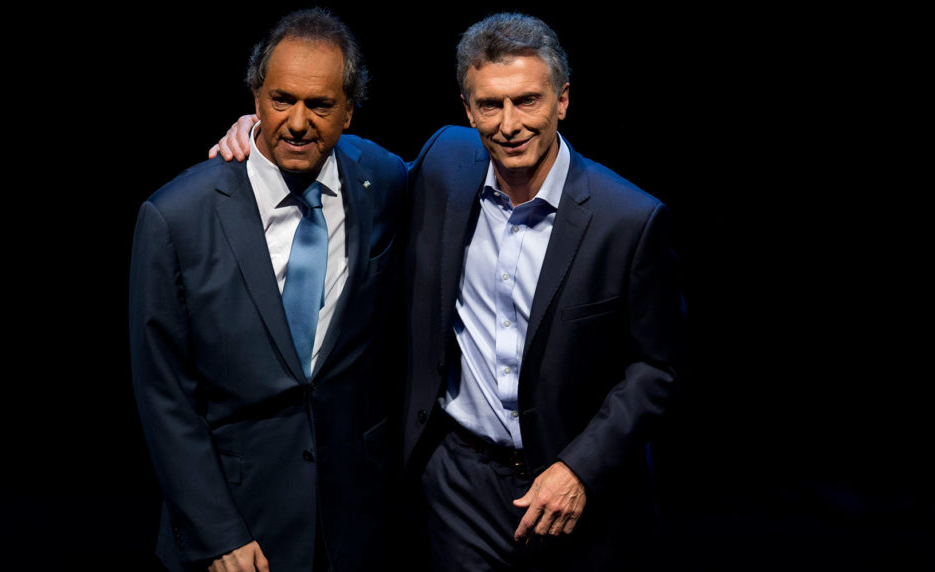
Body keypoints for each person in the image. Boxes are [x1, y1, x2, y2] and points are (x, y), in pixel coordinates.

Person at [211, 13, 684, 571]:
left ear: (562, 100)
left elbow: (659, 366)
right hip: (458, 487)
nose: (509, 124)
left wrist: (581, 467)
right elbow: (339, 156)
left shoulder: (628, 219)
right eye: (490, 105)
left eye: (527, 101)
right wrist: (260, 133)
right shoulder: (444, 163)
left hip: (578, 492)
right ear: (467, 109)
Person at [129, 8, 406, 572]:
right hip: (235, 525)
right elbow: (163, 395)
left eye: (320, 105)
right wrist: (216, 533)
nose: (298, 122)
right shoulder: (176, 216)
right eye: (282, 100)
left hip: (356, 525)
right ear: (255, 97)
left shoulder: (385, 179)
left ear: (349, 111)